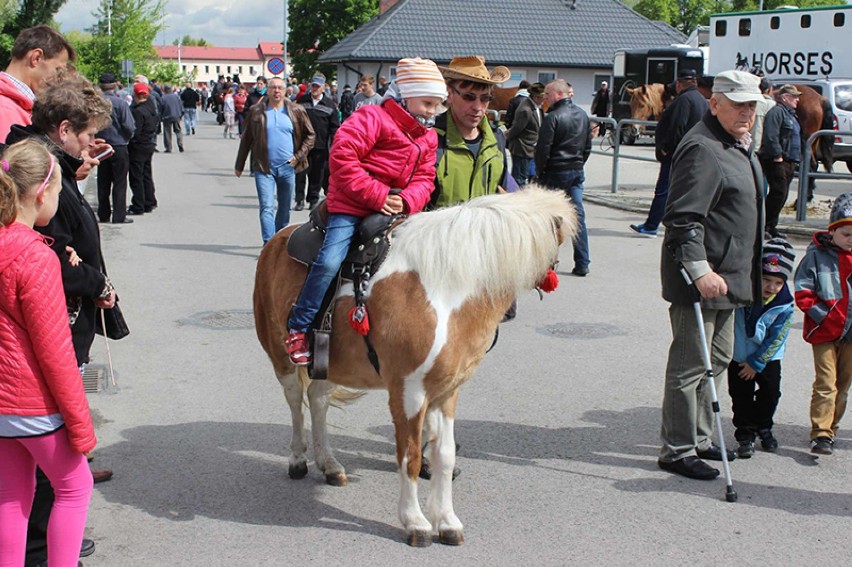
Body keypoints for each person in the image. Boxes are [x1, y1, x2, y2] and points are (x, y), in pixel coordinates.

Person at [285, 58, 445, 365]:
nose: (432, 112)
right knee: (330, 261)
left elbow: (426, 178)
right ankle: (299, 327)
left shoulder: (428, 136)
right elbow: (343, 159)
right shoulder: (370, 117)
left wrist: (409, 200)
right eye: (427, 103)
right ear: (406, 94)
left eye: (437, 105)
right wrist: (378, 194)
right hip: (352, 205)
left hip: (397, 207)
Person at [657, 70, 765, 481]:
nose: (747, 112)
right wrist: (700, 271)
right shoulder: (703, 146)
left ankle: (701, 435)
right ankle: (677, 449)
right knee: (689, 365)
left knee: (717, 359)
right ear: (715, 103)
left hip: (731, 275)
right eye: (738, 104)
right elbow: (682, 219)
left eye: (752, 105)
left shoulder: (737, 144)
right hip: (701, 279)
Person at [0, 138, 97, 567]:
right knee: (75, 486)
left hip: (2, 403)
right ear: (41, 192)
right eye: (57, 193)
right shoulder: (36, 258)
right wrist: (81, 425)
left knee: (11, 495)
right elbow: (55, 352)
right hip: (33, 403)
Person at [794, 192, 852, 456]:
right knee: (826, 382)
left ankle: (833, 426)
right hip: (825, 331)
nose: (851, 241)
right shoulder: (817, 256)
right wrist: (823, 315)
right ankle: (820, 433)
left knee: (843, 386)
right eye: (847, 235)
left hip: (851, 334)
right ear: (832, 232)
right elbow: (803, 290)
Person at [728, 238, 796, 458]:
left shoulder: (784, 304)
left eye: (778, 282)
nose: (771, 287)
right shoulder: (743, 294)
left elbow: (778, 336)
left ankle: (763, 426)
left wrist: (757, 363)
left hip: (768, 358)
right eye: (766, 279)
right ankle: (745, 434)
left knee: (770, 394)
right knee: (740, 396)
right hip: (739, 355)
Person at [235, 77, 315, 245]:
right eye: (273, 88)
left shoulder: (296, 110)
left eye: (280, 88)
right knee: (266, 207)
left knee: (284, 208)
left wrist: (298, 156)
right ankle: (268, 244)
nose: (276, 91)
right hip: (264, 167)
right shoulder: (257, 111)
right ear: (268, 90)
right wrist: (240, 164)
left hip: (288, 167)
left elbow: (310, 135)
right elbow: (247, 138)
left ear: (286, 91)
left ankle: (278, 241)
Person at [630, 69, 708, 238]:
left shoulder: (683, 100)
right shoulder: (701, 100)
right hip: (693, 153)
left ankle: (651, 225)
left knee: (663, 190)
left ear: (679, 84)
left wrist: (667, 147)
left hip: (677, 154)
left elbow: (677, 126)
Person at [432, 55, 515, 208]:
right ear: (449, 94)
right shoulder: (430, 139)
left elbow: (504, 191)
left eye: (485, 98)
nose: (478, 107)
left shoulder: (497, 139)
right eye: (469, 97)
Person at [536, 79, 592, 277]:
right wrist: (578, 164)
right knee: (578, 217)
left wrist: (540, 172)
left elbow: (543, 149)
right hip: (576, 171)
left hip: (554, 172)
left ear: (558, 94)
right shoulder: (583, 116)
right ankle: (583, 262)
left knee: (550, 219)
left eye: (547, 95)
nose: (545, 98)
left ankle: (548, 263)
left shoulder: (552, 117)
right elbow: (587, 147)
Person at [0, 25, 75, 141]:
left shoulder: (19, 105)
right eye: (58, 70)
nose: (59, 79)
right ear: (36, 58)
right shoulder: (5, 109)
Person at [759, 84, 803, 239]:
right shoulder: (777, 113)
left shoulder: (791, 115)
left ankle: (771, 226)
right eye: (794, 97)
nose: (797, 100)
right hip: (778, 160)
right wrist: (777, 155)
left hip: (789, 160)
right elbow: (771, 135)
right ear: (785, 98)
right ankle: (765, 225)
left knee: (782, 195)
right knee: (778, 192)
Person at [95, 72, 136, 225]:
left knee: (103, 181)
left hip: (101, 145)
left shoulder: (97, 104)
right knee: (120, 181)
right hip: (119, 145)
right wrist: (126, 137)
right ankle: (119, 215)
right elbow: (129, 126)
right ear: (114, 85)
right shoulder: (120, 103)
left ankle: (103, 213)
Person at [296, 73, 339, 211]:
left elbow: (334, 127)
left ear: (323, 88)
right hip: (303, 145)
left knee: (317, 174)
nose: (314, 88)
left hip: (320, 146)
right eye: (313, 85)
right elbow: (294, 121)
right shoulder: (302, 100)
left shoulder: (329, 104)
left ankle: (313, 199)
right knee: (300, 173)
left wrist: (333, 145)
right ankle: (299, 200)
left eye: (317, 86)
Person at [127, 82, 159, 216]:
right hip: (149, 144)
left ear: (135, 95)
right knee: (146, 174)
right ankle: (149, 201)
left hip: (139, 146)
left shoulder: (138, 111)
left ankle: (138, 204)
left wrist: (131, 141)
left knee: (136, 176)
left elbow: (136, 131)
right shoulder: (152, 108)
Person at [505, 82, 544, 186]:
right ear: (536, 97)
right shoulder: (526, 110)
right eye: (542, 97)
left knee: (530, 175)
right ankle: (516, 198)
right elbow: (516, 129)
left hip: (530, 148)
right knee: (519, 179)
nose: (544, 100)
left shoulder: (536, 107)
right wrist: (506, 136)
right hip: (522, 148)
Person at [159, 84, 184, 153]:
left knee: (167, 132)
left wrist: (160, 117)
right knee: (178, 131)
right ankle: (180, 144)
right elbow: (181, 106)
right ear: (171, 89)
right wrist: (181, 114)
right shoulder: (176, 97)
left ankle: (168, 147)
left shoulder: (163, 98)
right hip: (176, 116)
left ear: (164, 90)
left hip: (166, 116)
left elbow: (160, 108)